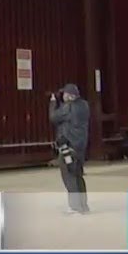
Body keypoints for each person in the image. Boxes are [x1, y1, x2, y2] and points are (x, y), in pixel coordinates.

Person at [50, 84, 91, 213]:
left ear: (69, 95)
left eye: (64, 94)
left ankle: (75, 207)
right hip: (80, 147)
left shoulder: (69, 107)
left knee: (69, 176)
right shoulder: (84, 106)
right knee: (78, 176)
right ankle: (83, 205)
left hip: (69, 147)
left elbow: (53, 117)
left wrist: (52, 103)